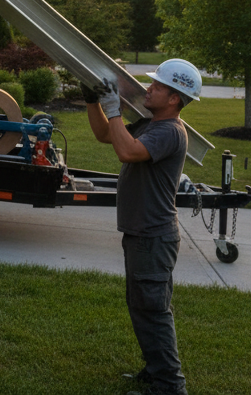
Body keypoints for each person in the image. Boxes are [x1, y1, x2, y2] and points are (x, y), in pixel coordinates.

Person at [81, 58, 203, 395]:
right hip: (142, 234)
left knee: (153, 310)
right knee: (143, 307)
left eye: (158, 86)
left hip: (153, 236)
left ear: (175, 98)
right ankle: (155, 370)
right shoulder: (150, 124)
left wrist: (113, 105)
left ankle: (169, 386)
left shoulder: (169, 131)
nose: (149, 89)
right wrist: (94, 102)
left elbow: (128, 152)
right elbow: (106, 134)